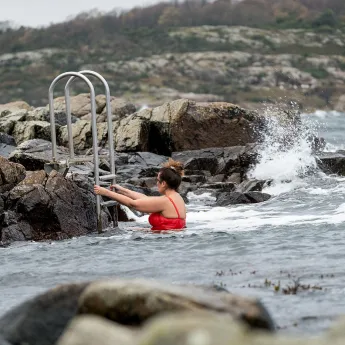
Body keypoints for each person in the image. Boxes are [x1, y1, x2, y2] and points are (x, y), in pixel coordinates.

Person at [94, 159, 186, 231]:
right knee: (131, 229)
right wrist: (123, 190)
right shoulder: (177, 197)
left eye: (157, 180)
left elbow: (133, 204)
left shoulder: (166, 201)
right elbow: (146, 199)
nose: (156, 183)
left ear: (163, 183)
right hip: (168, 237)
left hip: (164, 240)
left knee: (127, 231)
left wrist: (106, 192)